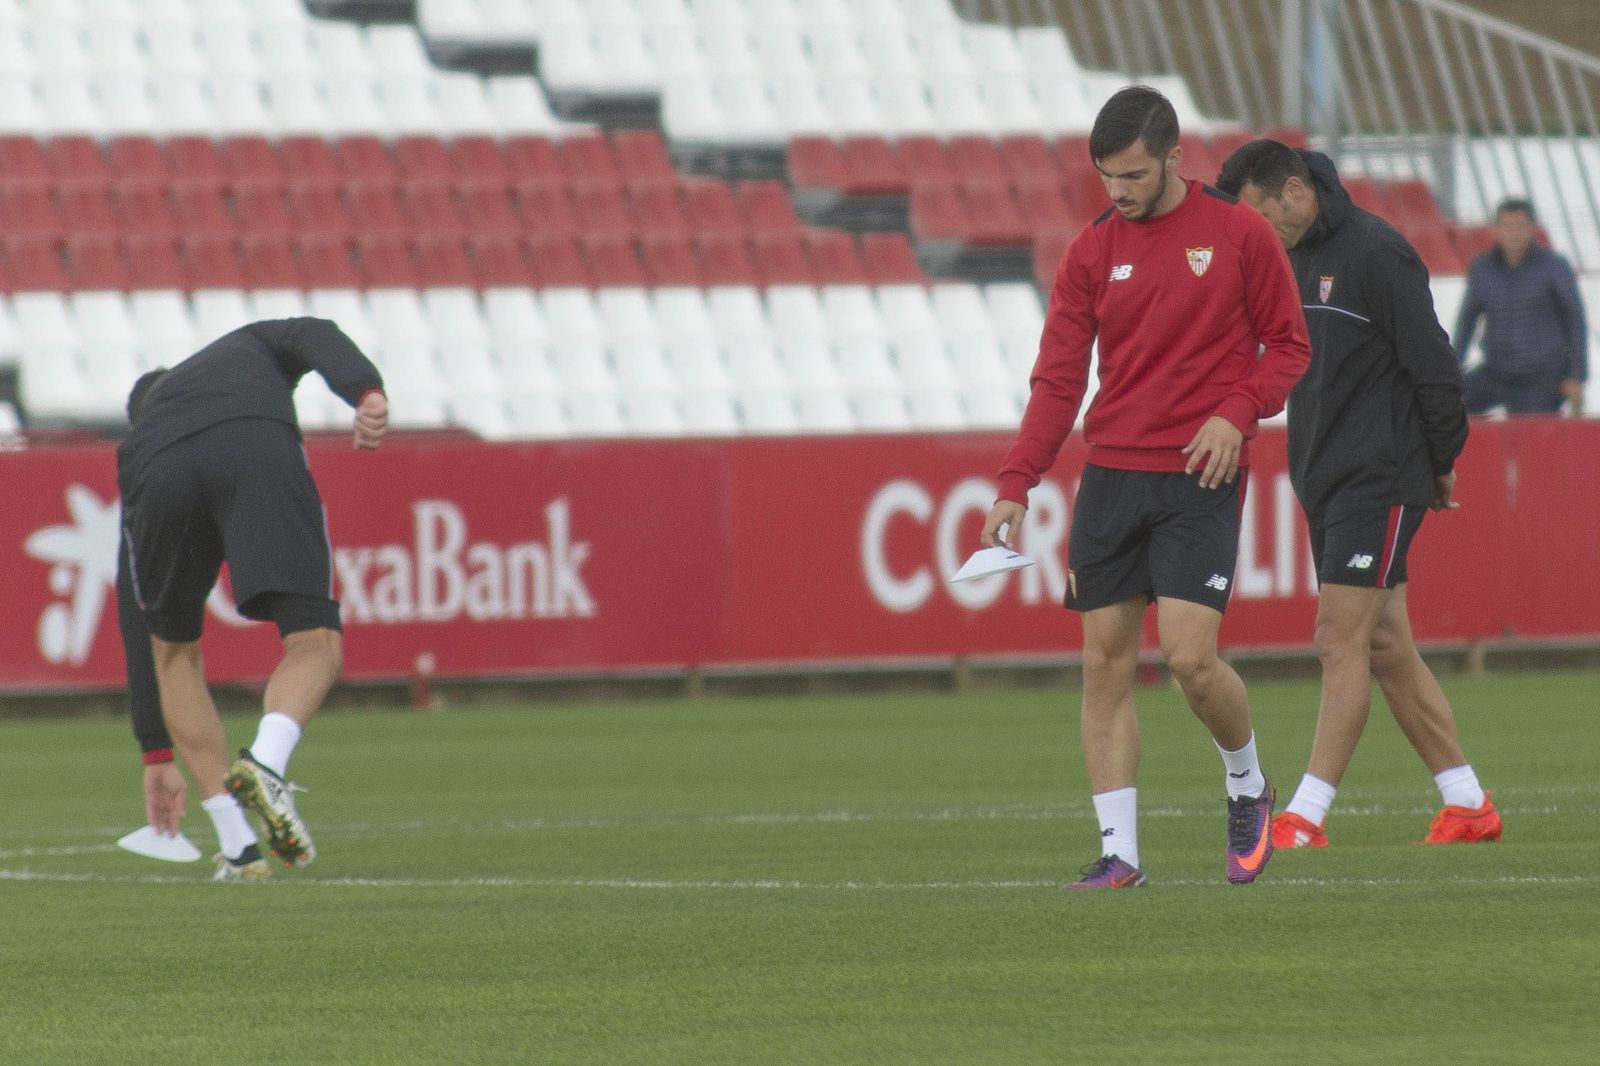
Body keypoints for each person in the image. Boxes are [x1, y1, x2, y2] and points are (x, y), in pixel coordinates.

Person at [979, 87, 1312, 889]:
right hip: (1112, 478)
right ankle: (1120, 852)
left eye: (1131, 175)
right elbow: (1058, 379)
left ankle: (1247, 784)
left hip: (1200, 475)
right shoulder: (1091, 251)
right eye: (1106, 179)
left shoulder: (1238, 233)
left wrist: (1237, 414)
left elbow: (1289, 348)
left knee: (1193, 661)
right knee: (1104, 665)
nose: (1119, 192)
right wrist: (1016, 481)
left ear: (1173, 158)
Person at [1216, 140, 1501, 849]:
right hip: (1324, 475)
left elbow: (1435, 367)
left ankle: (1306, 817)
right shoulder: (1282, 259)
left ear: (1293, 191)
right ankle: (1467, 805)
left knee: (1336, 638)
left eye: (1259, 215)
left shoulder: (1378, 253)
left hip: (1381, 474)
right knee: (1384, 643)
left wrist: (1440, 459)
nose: (1255, 232)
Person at [117, 317, 388, 881]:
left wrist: (155, 752)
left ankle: (239, 847)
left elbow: (134, 619)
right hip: (253, 439)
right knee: (313, 639)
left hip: (158, 475)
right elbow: (314, 331)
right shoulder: (246, 345)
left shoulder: (141, 442)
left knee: (174, 653)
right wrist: (363, 390)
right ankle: (266, 760)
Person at [1452, 199, 1587, 415]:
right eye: (1507, 227)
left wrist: (1576, 376)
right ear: (1495, 230)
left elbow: (1575, 320)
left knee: (1534, 439)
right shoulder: (1482, 269)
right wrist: (1452, 370)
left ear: (1533, 229)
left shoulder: (1554, 267)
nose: (1513, 233)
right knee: (1445, 407)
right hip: (1496, 372)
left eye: (1520, 226)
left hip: (1542, 378)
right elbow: (1466, 321)